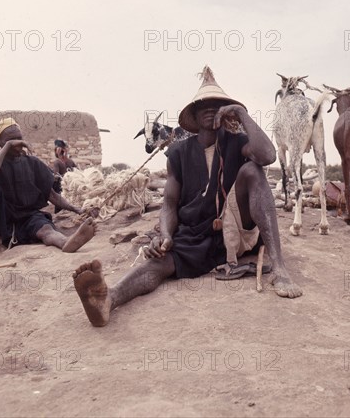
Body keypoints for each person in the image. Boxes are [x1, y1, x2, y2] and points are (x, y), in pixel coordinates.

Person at [73, 66, 303, 327]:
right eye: (203, 104)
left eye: (218, 104)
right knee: (159, 263)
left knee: (253, 170)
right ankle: (109, 298)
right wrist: (166, 235)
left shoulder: (238, 142)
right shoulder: (179, 153)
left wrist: (241, 113)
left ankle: (280, 268)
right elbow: (169, 203)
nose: (210, 108)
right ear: (192, 113)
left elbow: (268, 156)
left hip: (237, 229)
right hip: (195, 234)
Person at [0, 118, 97, 265]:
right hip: (1, 220)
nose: (17, 143)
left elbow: (52, 195)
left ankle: (66, 242)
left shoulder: (32, 162)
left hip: (27, 217)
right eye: (11, 140)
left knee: (46, 230)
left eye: (19, 138)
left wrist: (77, 210)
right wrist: (7, 147)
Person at [51, 139, 77, 213]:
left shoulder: (57, 162)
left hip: (62, 190)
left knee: (60, 208)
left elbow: (56, 177)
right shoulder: (71, 161)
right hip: (71, 189)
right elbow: (77, 172)